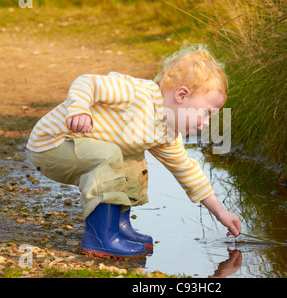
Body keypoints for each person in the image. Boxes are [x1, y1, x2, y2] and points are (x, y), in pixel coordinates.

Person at [27, 44, 242, 258]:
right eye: (205, 113)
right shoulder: (137, 94)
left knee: (133, 159)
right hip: (52, 144)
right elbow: (87, 82)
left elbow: (187, 171)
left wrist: (220, 212)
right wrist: (79, 109)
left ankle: (118, 226)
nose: (205, 123)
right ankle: (100, 236)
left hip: (80, 148)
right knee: (110, 155)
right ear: (182, 95)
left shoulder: (167, 133)